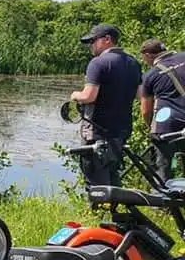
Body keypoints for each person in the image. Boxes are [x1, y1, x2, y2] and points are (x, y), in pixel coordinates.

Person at [70, 23, 142, 187]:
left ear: (107, 39)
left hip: (98, 130)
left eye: (93, 41)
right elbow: (140, 95)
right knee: (113, 172)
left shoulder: (98, 63)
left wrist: (75, 95)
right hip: (122, 130)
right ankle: (116, 208)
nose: (91, 46)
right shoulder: (133, 63)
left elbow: (89, 96)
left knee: (95, 175)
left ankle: (99, 211)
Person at [141, 39, 185, 182]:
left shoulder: (150, 76)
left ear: (147, 55)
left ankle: (166, 201)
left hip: (167, 126)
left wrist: (150, 128)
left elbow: (146, 110)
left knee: (163, 168)